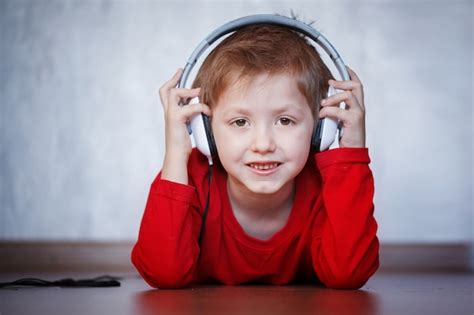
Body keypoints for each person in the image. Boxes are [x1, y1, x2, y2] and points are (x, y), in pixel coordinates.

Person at [131, 23, 379, 289]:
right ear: (204, 130)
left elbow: (349, 274)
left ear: (323, 127)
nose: (263, 144)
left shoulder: (328, 187)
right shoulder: (190, 178)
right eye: (240, 122)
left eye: (285, 120)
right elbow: (162, 273)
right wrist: (176, 154)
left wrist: (351, 152)